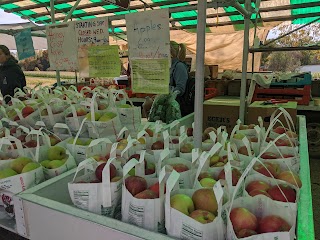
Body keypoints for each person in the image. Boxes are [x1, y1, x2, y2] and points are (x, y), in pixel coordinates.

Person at [169, 41, 190, 116]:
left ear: (171, 53)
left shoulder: (179, 66)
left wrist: (167, 96)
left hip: (177, 107)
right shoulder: (169, 66)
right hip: (170, 106)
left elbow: (180, 89)